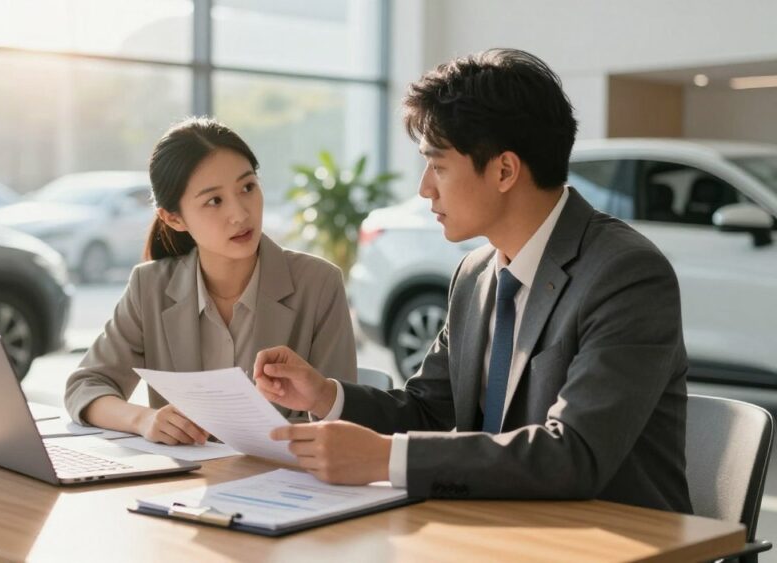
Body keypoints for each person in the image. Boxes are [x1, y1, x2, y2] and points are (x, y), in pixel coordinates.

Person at [253, 48, 692, 513]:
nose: (424, 187)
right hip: (499, 524)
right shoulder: (476, 273)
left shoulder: (625, 274)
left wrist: (387, 458)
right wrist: (324, 395)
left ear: (504, 170)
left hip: (616, 540)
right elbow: (431, 411)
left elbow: (574, 454)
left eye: (438, 165)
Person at [65, 117, 357, 445]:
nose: (241, 214)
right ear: (173, 218)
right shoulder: (150, 287)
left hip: (287, 483)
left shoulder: (318, 284)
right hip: (184, 490)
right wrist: (144, 419)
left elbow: (345, 415)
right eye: (214, 201)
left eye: (247, 187)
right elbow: (85, 387)